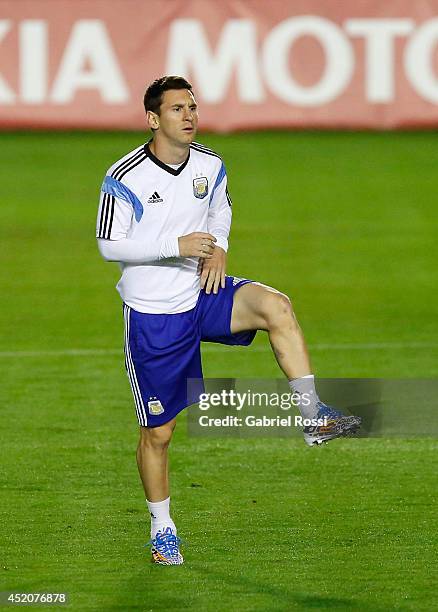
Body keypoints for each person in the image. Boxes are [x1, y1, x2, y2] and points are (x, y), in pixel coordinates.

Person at [96, 76, 361, 566]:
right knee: (160, 433)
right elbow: (109, 243)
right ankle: (162, 528)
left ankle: (313, 416)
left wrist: (219, 247)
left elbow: (220, 209)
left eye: (192, 106)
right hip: (156, 317)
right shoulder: (126, 176)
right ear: (154, 119)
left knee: (275, 306)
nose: (189, 114)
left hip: (204, 292)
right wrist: (173, 247)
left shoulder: (209, 164)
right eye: (177, 108)